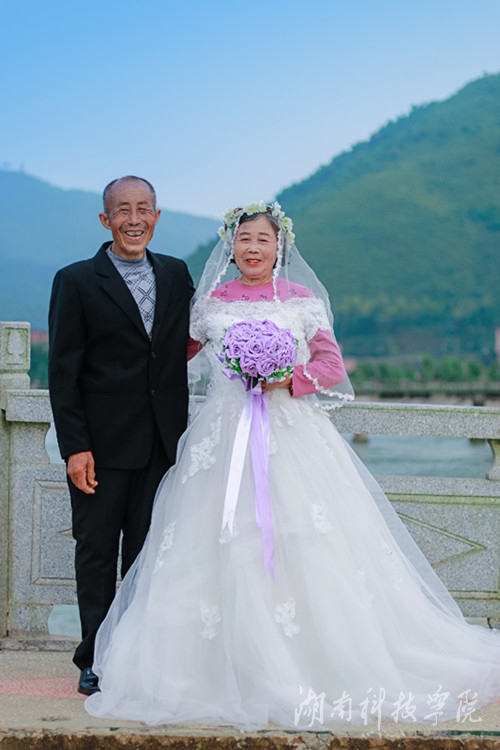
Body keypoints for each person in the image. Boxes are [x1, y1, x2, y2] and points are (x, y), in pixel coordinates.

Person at [86, 202, 500, 728]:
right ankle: (217, 665)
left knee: (302, 541)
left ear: (279, 246)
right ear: (230, 249)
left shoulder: (302, 301)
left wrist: (287, 378)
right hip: (222, 439)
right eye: (244, 240)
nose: (253, 249)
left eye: (263, 240)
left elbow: (331, 365)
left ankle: (311, 662)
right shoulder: (210, 304)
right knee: (212, 542)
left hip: (292, 436)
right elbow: (168, 358)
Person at [48, 176, 195, 695]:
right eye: (123, 210)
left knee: (147, 554)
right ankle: (94, 657)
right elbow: (62, 373)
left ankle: (133, 656)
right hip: (101, 447)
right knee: (96, 552)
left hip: (163, 442)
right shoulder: (76, 280)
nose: (135, 219)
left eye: (144, 208)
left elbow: (190, 340)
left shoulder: (176, 273)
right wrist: (75, 447)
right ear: (105, 219)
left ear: (157, 216)